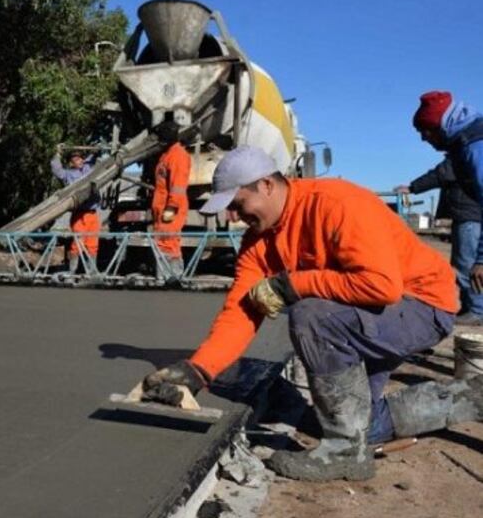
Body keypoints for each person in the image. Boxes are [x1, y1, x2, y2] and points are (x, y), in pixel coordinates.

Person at [135, 145, 477, 483]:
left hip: (422, 303)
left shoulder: (335, 205)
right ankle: (471, 398)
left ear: (266, 185)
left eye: (238, 204)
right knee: (358, 422)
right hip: (373, 312)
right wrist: (199, 371)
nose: (233, 218)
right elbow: (242, 310)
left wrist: (293, 285)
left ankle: (344, 454)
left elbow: (382, 285)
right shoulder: (259, 241)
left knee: (312, 315)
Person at [409, 90, 483, 309]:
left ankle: (478, 312)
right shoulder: (465, 142)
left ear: (439, 126)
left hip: (471, 214)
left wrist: (482, 259)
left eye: (425, 131)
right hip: (471, 211)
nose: (424, 138)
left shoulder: (475, 146)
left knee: (468, 266)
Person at [395, 157, 483, 325]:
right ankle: (470, 306)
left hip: (468, 216)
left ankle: (477, 310)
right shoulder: (471, 153)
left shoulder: (463, 154)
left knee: (465, 264)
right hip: (468, 215)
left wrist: (412, 187)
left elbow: (440, 174)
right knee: (464, 264)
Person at [151, 123, 191, 279]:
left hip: (170, 208)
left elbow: (178, 185)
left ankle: (171, 278)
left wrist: (171, 207)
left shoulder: (177, 155)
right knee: (164, 242)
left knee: (168, 243)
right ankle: (167, 278)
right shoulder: (167, 155)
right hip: (163, 207)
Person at [51, 147, 99, 273]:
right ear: (71, 162)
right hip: (80, 214)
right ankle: (73, 270)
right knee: (77, 243)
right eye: (76, 159)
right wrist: (57, 154)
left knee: (93, 244)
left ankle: (92, 271)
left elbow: (92, 158)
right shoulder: (68, 174)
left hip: (92, 214)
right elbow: (57, 170)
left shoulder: (88, 169)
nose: (80, 160)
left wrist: (95, 151)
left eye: (81, 158)